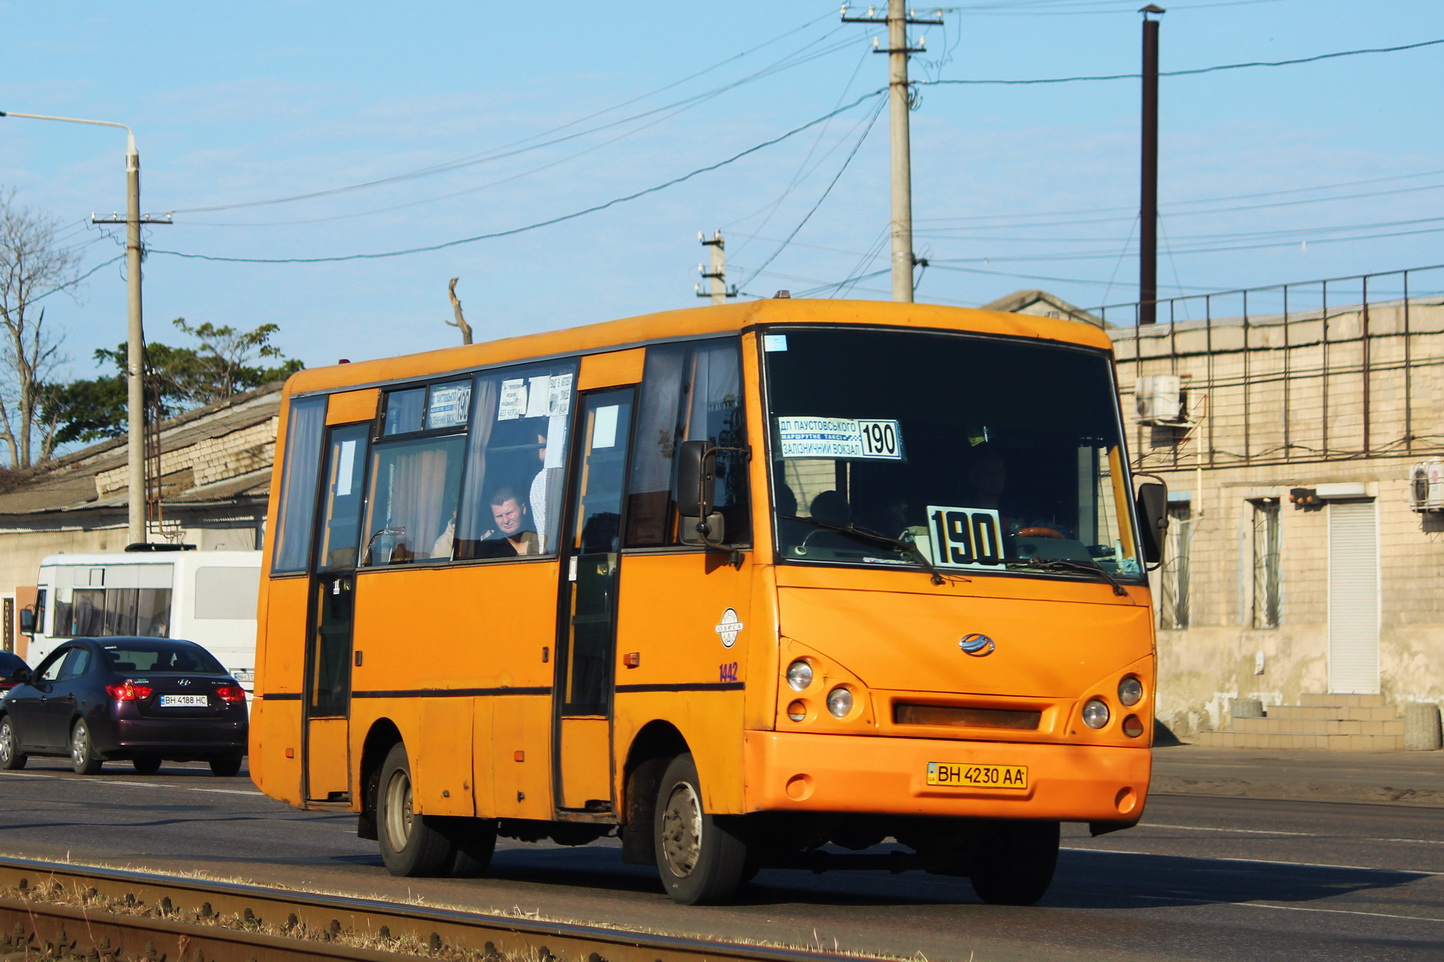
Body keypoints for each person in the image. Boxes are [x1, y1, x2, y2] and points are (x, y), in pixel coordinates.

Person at [485, 487, 538, 556]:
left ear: (523, 509)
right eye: (499, 516)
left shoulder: (541, 537)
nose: (506, 521)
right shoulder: (488, 547)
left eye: (509, 513)